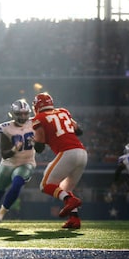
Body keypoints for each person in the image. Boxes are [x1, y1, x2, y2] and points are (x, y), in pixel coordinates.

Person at [32, 92, 87, 229]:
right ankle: (75, 219)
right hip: (82, 153)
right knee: (65, 188)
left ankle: (70, 200)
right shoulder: (63, 111)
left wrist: (32, 139)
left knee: (45, 185)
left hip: (68, 153)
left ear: (37, 106)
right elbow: (79, 131)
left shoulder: (39, 117)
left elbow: (39, 147)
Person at [0, 99, 38, 228]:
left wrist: (38, 141)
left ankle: (2, 212)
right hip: (8, 163)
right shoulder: (5, 128)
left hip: (27, 162)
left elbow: (41, 148)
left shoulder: (35, 123)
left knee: (17, 183)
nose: (23, 116)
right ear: (13, 114)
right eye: (20, 114)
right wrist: (15, 148)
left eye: (25, 113)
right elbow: (4, 154)